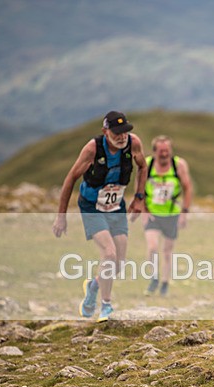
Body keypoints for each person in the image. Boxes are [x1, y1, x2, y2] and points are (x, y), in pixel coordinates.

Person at [53, 110, 148, 322]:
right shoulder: (92, 149)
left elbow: (143, 166)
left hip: (116, 207)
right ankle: (106, 305)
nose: (122, 136)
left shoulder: (134, 144)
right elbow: (70, 179)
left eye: (125, 132)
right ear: (105, 132)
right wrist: (61, 216)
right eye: (117, 133)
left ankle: (93, 285)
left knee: (119, 263)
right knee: (109, 253)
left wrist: (140, 197)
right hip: (92, 207)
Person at [143, 135, 193, 296]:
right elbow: (139, 189)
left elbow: (187, 188)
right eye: (161, 151)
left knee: (167, 250)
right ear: (155, 151)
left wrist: (184, 213)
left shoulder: (178, 165)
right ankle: (154, 278)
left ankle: (164, 283)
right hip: (153, 214)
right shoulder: (147, 164)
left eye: (167, 151)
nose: (164, 154)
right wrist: (144, 210)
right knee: (152, 247)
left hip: (172, 214)